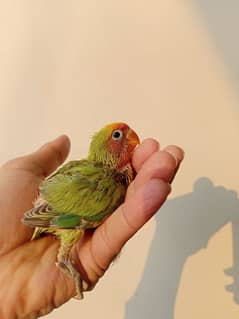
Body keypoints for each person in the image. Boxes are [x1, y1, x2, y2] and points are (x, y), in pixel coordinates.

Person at [0, 135, 184, 318]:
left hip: (53, 201)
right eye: (118, 136)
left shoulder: (88, 169)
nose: (130, 139)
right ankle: (64, 261)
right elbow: (68, 212)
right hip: (61, 215)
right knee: (68, 247)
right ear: (105, 148)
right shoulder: (110, 187)